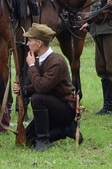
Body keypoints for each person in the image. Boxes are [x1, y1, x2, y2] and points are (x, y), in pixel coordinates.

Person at [13, 23, 80, 151]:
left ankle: (43, 140)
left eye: (30, 40)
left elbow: (42, 88)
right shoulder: (39, 59)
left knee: (38, 98)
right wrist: (23, 89)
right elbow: (37, 85)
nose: (27, 44)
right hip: (51, 106)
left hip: (64, 108)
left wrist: (32, 67)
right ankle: (66, 130)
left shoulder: (56, 62)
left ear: (39, 43)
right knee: (27, 140)